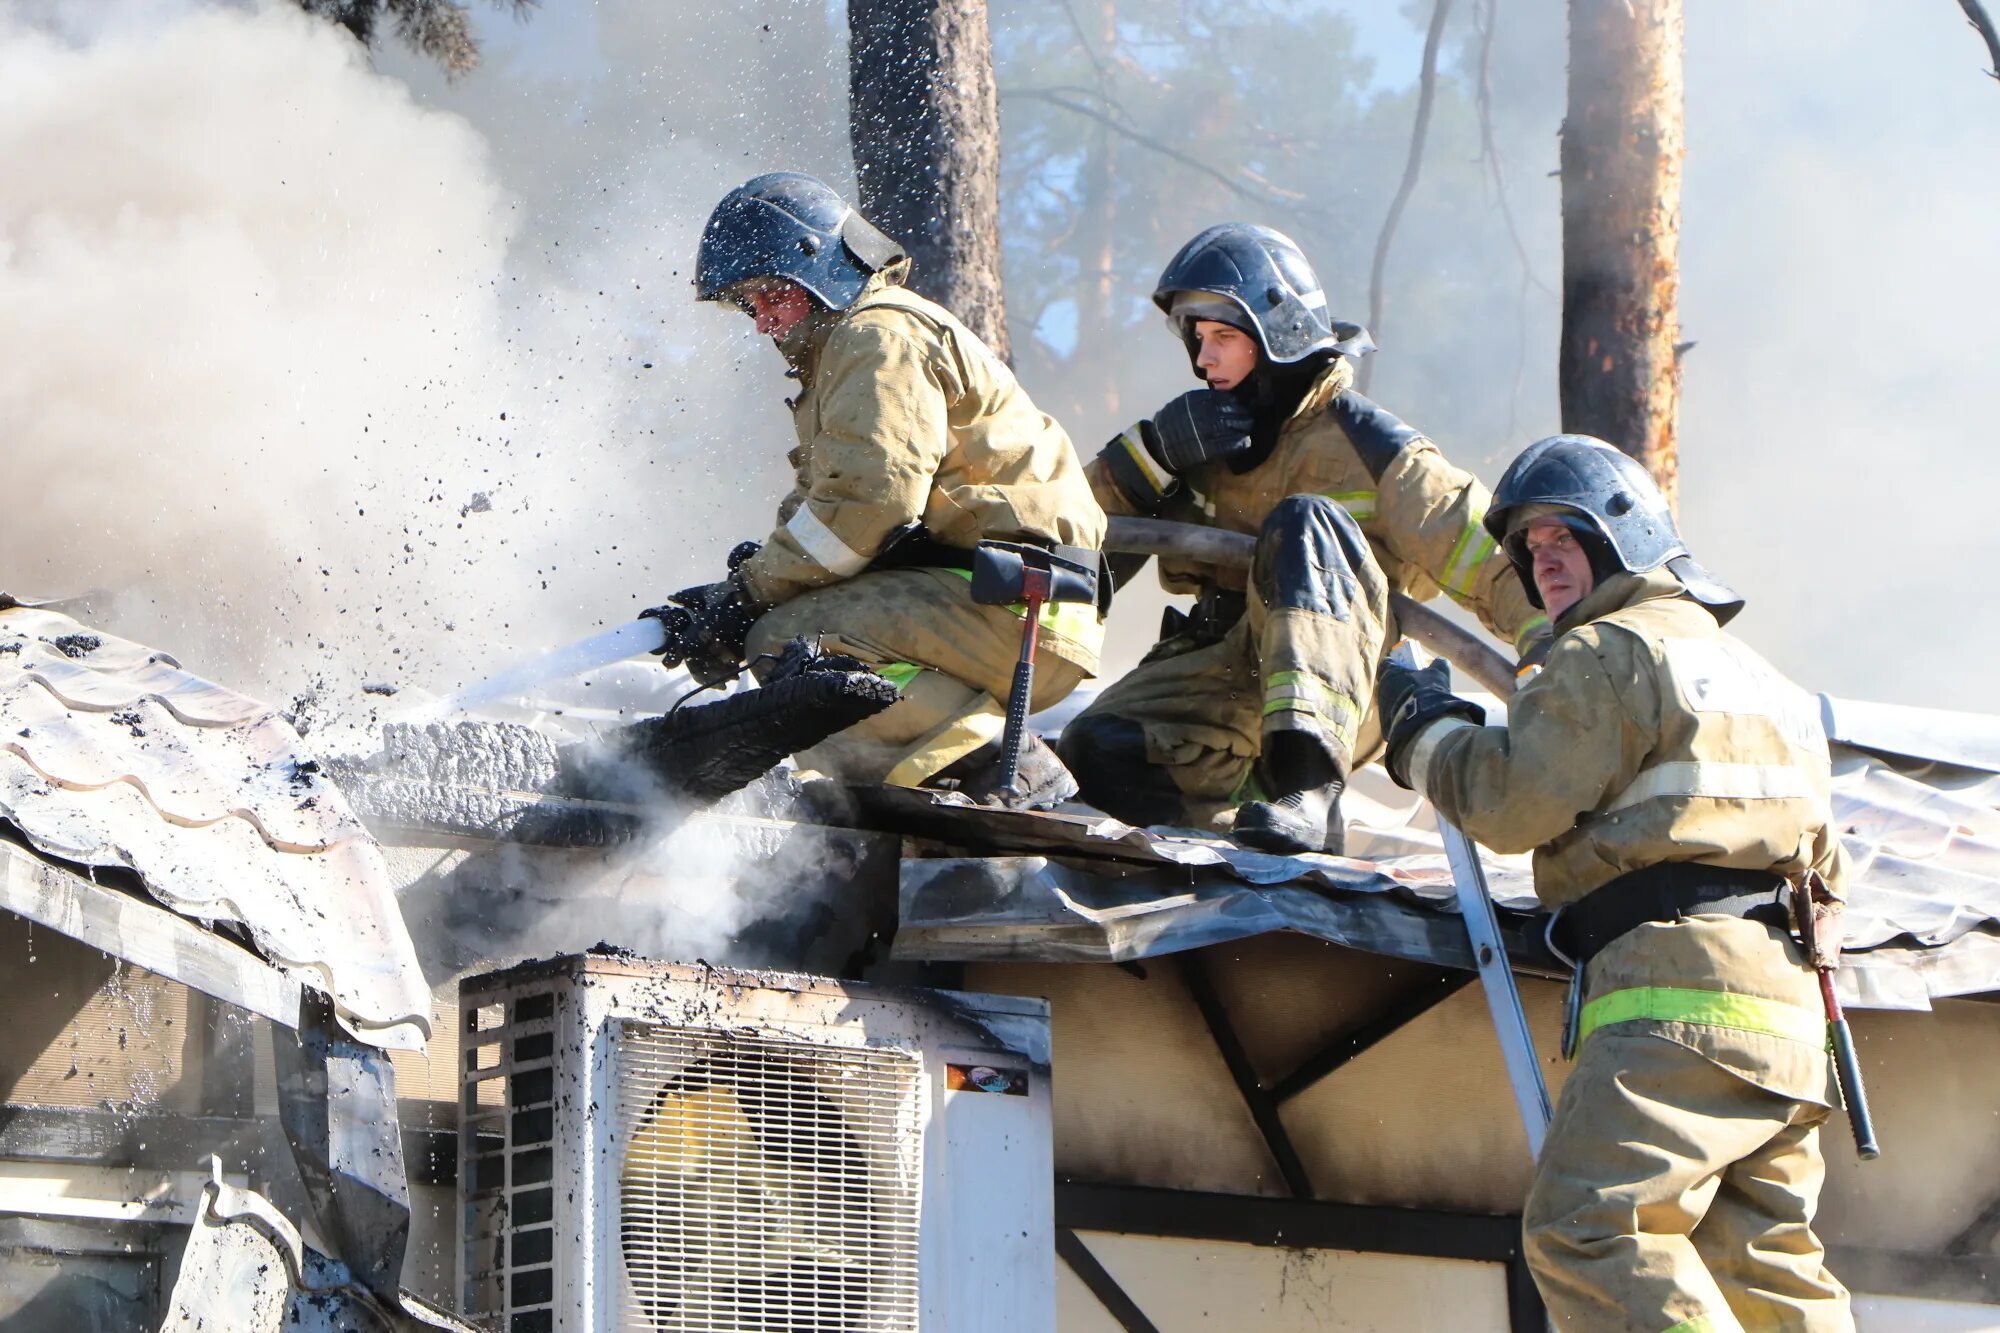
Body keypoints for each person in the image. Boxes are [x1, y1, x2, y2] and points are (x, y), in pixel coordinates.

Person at [1377, 434, 1853, 1331]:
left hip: (1676, 1004)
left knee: (1588, 1227)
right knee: (1766, 1267)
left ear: (1626, 536)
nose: (1541, 558)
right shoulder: (1775, 685)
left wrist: (1422, 732)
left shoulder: (1604, 651)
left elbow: (1514, 802)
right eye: (1527, 548)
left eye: (1564, 534)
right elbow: (1830, 871)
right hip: (1793, 1026)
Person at [1058, 223, 1548, 853]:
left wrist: (1551, 657)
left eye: (1224, 338)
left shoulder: (1372, 447)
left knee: (1303, 522)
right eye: (1198, 339)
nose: (1204, 359)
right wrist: (1147, 456)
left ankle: (1309, 789)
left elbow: (1491, 557)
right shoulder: (1195, 439)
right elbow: (1068, 532)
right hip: (1224, 670)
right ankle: (1248, 814)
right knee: (1094, 749)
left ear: (1278, 333)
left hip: (1343, 679)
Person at [647, 172, 1107, 806]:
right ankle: (931, 785)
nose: (762, 321)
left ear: (816, 270)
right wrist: (734, 595)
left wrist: (751, 598)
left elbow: (867, 506)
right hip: (997, 597)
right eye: (749, 305)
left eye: (770, 293)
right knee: (780, 647)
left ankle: (991, 758)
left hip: (1011, 602)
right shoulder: (849, 353)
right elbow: (827, 509)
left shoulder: (876, 338)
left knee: (786, 648)